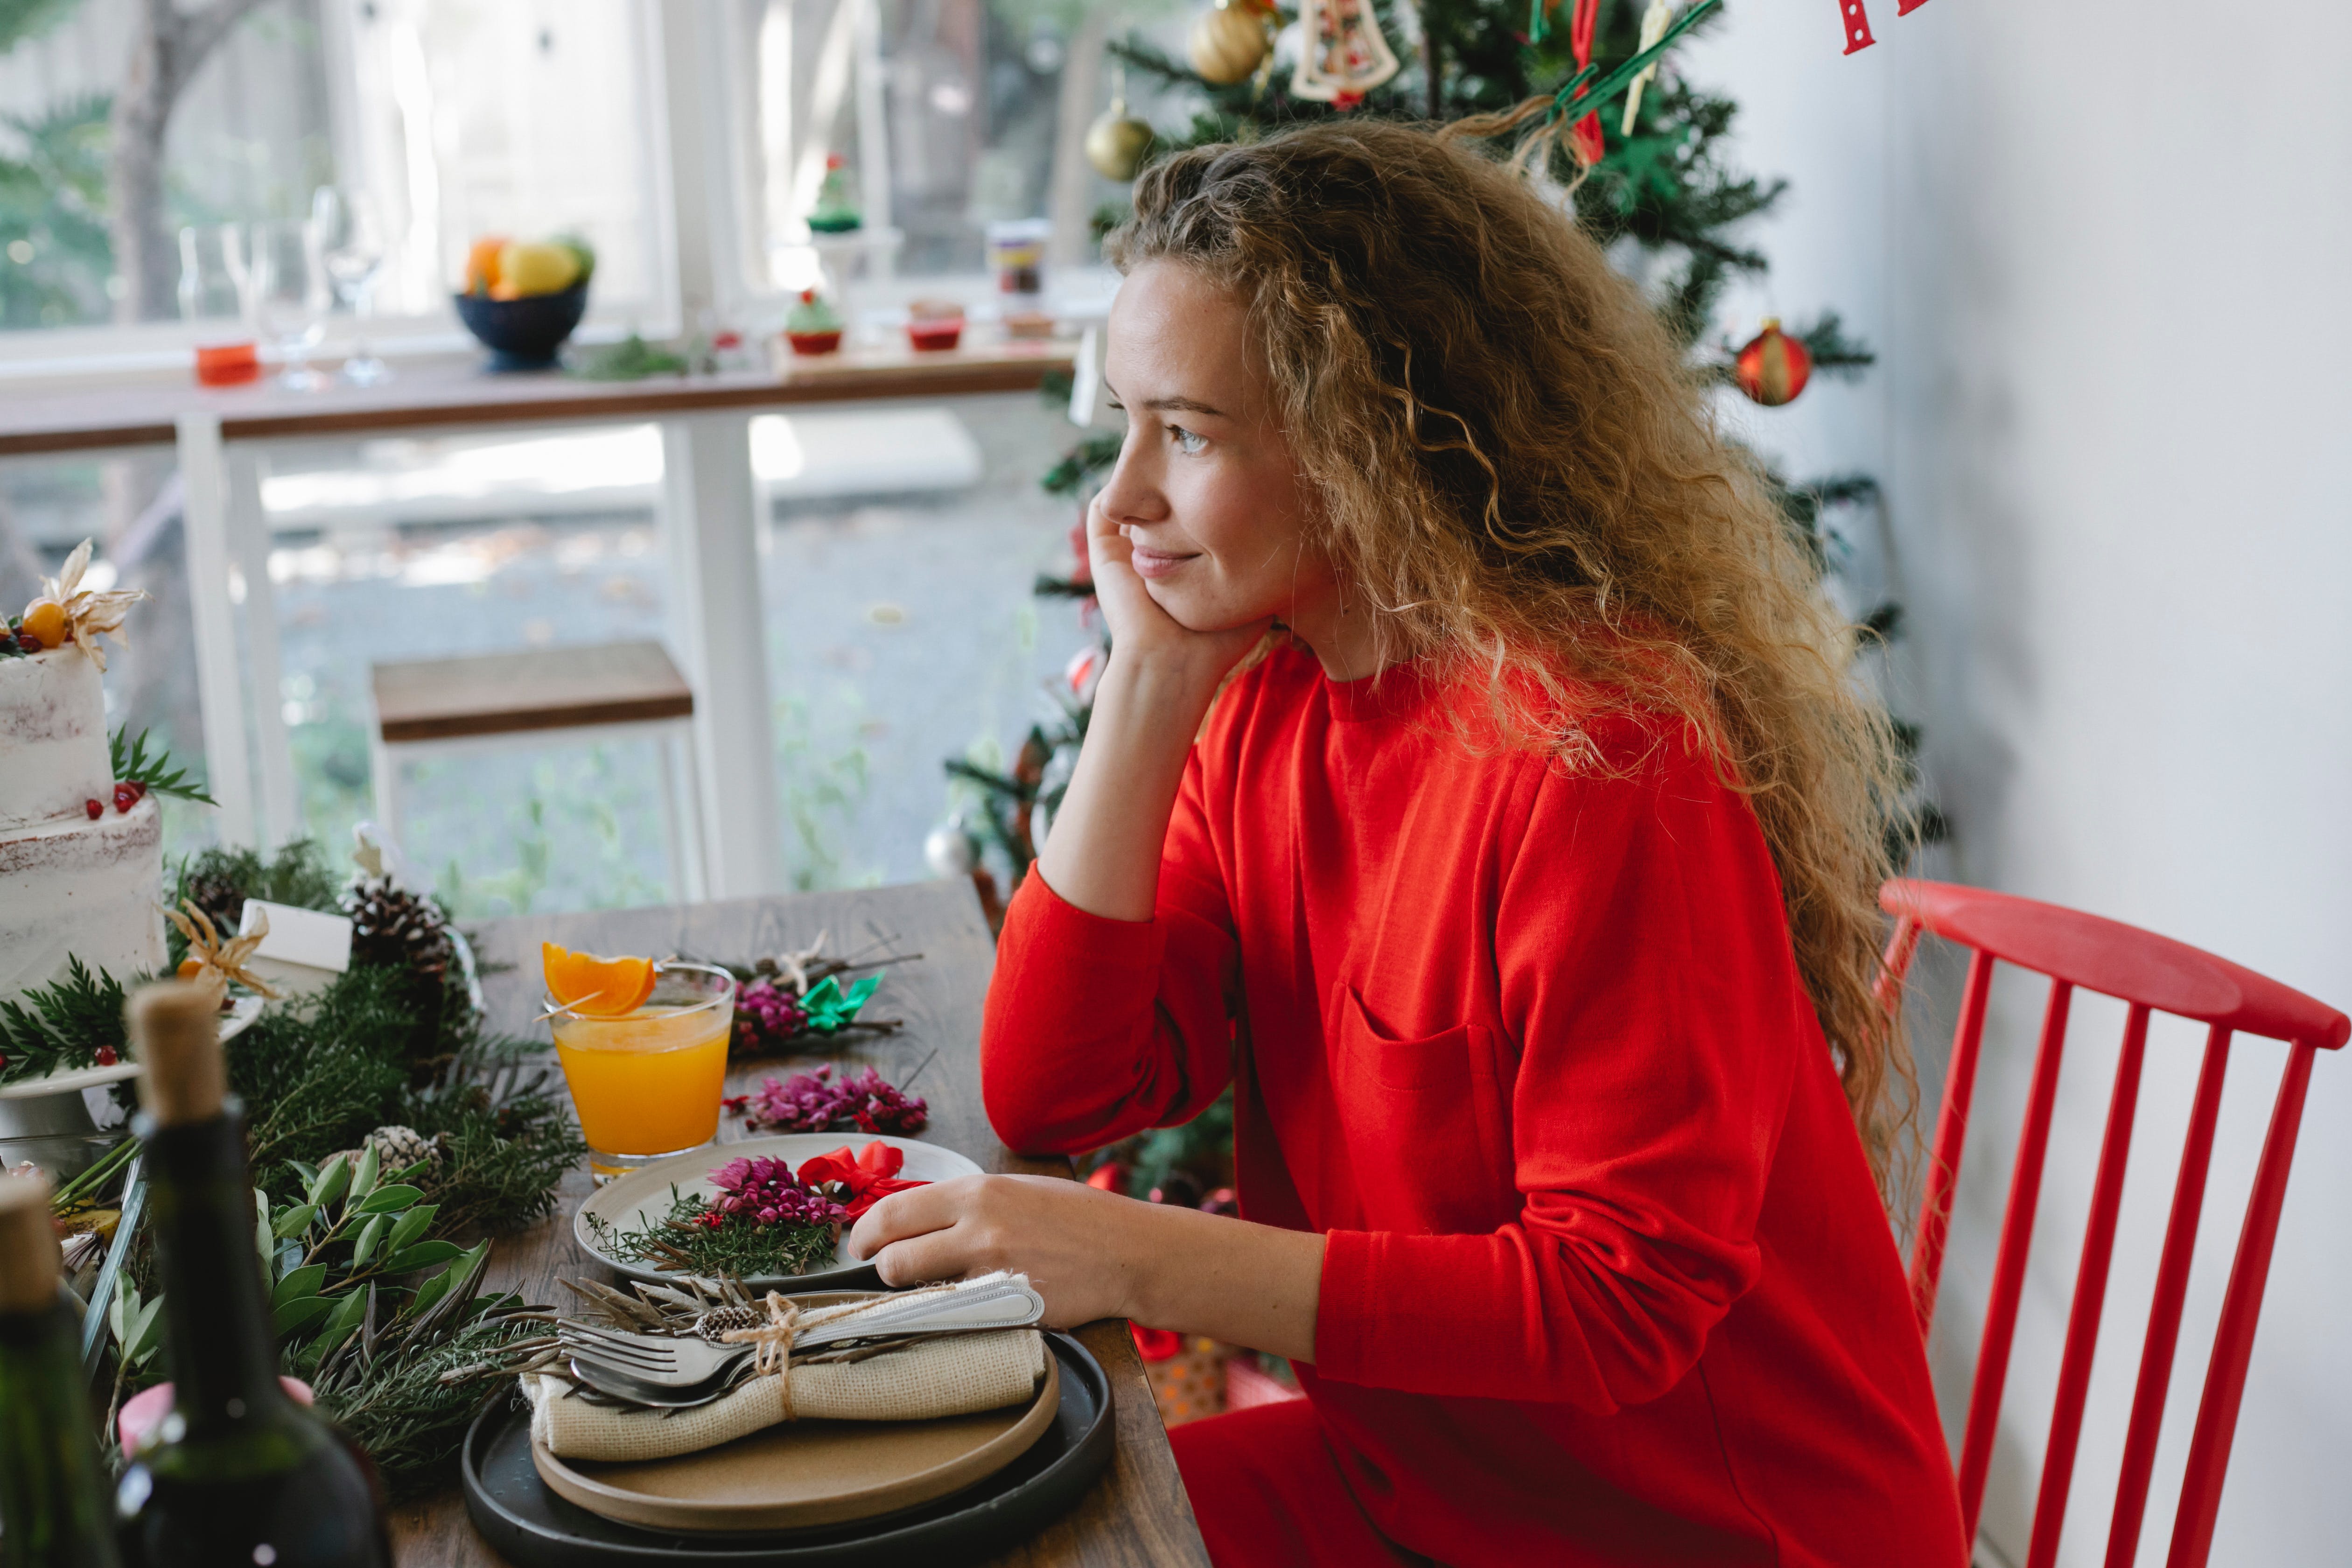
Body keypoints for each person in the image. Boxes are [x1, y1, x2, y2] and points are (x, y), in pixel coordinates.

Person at [846, 120, 1967, 1567]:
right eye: (1123, 423)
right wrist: (1145, 689)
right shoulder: (1263, 708)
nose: (1118, 505)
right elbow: (1059, 1087)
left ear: (1371, 443)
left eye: (1188, 434)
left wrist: (1136, 1256)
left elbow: (1621, 1305)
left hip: (1697, 1531)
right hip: (1424, 1482)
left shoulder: (1603, 755)